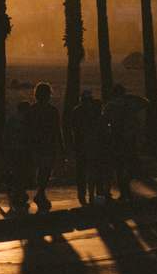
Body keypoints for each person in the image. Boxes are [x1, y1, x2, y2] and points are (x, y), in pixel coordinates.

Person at [26, 81, 63, 211]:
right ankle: (41, 191)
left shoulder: (32, 110)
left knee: (39, 168)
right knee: (46, 170)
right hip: (48, 144)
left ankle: (40, 192)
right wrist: (62, 146)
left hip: (36, 144)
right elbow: (57, 130)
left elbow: (28, 129)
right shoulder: (52, 111)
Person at [69, 91, 102, 206]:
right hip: (91, 144)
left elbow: (73, 128)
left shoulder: (76, 111)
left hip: (81, 144)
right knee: (91, 170)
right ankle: (91, 193)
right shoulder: (94, 111)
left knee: (82, 171)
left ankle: (82, 193)